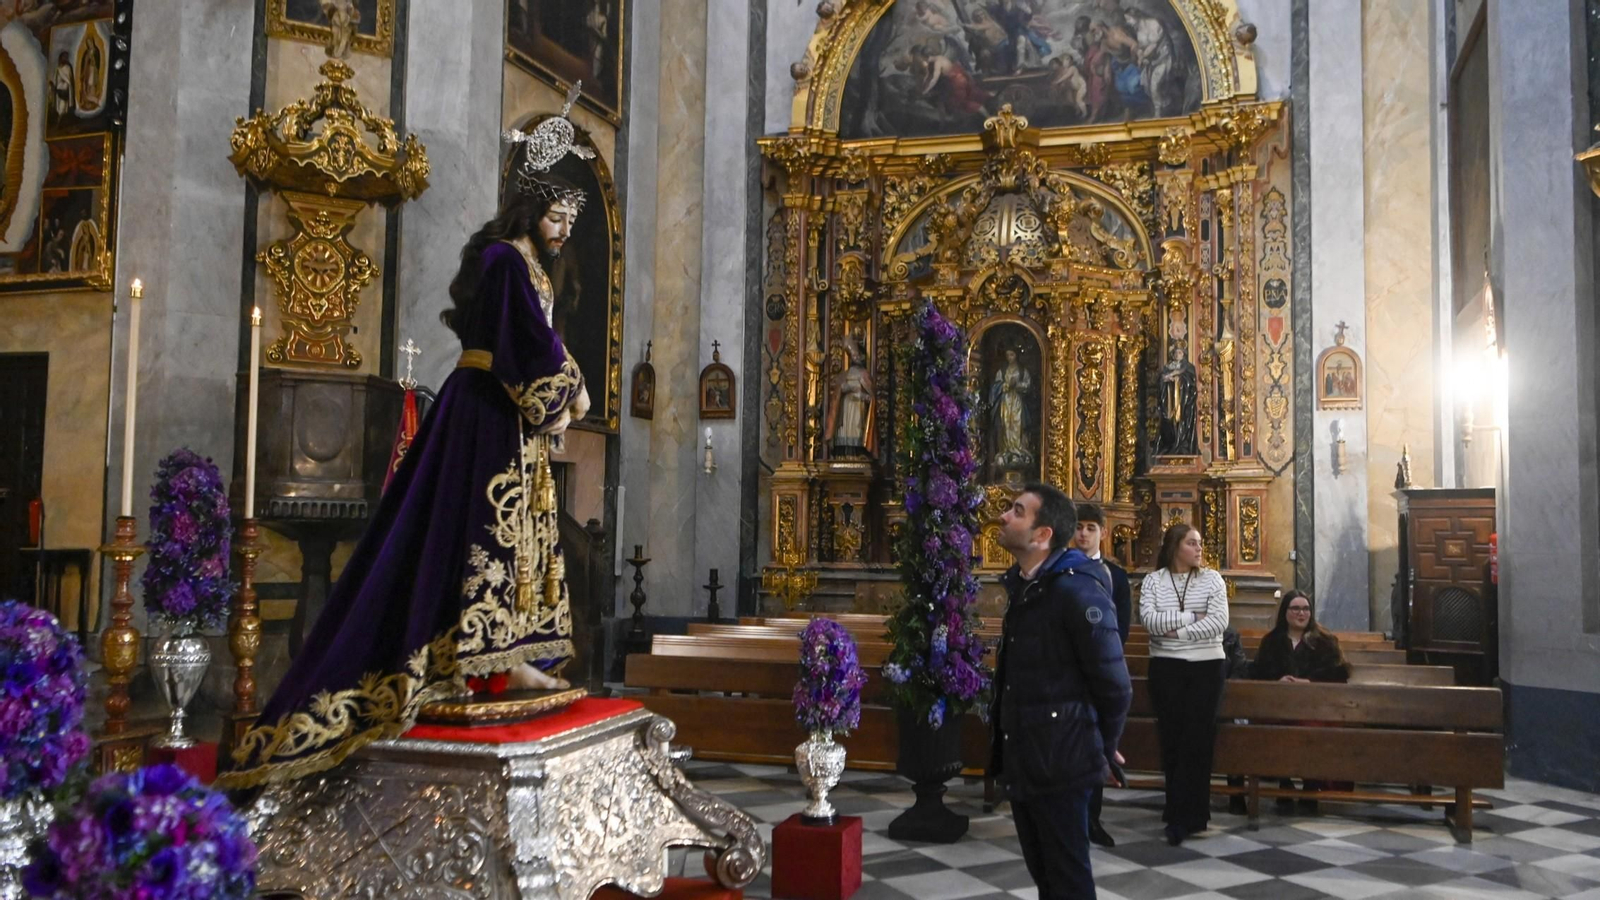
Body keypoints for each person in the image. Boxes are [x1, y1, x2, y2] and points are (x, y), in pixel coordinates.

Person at [217, 112, 593, 792]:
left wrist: (563, 385)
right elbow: (522, 345)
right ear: (533, 205)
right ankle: (483, 660)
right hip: (483, 414)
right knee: (482, 540)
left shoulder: (530, 262)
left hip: (505, 416)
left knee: (510, 544)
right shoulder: (504, 258)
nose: (564, 230)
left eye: (571, 220)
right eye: (559, 215)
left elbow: (538, 338)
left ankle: (507, 657)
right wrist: (568, 386)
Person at [991, 483, 1131, 900]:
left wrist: (1102, 747)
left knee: (1068, 880)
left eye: (1017, 511)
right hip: (1030, 753)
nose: (1004, 516)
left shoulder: (1076, 590)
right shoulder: (1028, 586)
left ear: (1042, 534)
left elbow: (1115, 685)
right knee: (1046, 877)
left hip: (1061, 758)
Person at [1139, 521, 1229, 845]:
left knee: (1198, 740)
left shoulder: (1212, 579)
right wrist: (1193, 617)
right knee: (1172, 738)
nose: (1199, 548)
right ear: (1175, 546)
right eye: (1192, 543)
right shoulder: (1154, 580)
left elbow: (1219, 621)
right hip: (1166, 667)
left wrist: (1176, 631)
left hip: (1206, 666)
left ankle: (1192, 815)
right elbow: (1149, 620)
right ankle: (1177, 810)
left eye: (1200, 542)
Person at [1251, 590, 1352, 811]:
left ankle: (1310, 784)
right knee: (1276, 731)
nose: (1301, 613)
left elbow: (1339, 676)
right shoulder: (1271, 641)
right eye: (1295, 608)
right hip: (1278, 708)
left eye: (1305, 609)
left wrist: (1310, 682)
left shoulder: (1325, 641)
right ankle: (1284, 783)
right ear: (1285, 612)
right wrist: (1278, 681)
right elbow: (1258, 674)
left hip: (1315, 709)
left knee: (1311, 731)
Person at [1073, 503, 1130, 849]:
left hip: (1100, 671)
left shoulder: (1115, 576)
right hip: (1067, 673)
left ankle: (1092, 818)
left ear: (1103, 533)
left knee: (1097, 747)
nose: (1083, 533)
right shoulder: (1059, 570)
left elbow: (1120, 627)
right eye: (1078, 527)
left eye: (1091, 527)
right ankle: (1069, 817)